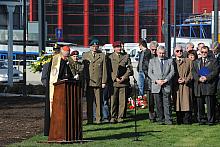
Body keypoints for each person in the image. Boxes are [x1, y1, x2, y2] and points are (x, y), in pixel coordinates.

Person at [41, 45, 73, 135]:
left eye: (67, 55)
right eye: (65, 55)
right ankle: (53, 128)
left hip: (64, 89)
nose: (66, 57)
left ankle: (63, 127)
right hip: (56, 89)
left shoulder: (66, 61)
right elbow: (53, 77)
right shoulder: (55, 61)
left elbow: (68, 73)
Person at [192, 46, 219, 125]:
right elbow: (193, 72)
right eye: (202, 52)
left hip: (209, 85)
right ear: (200, 52)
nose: (204, 53)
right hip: (199, 85)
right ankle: (201, 119)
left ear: (208, 52)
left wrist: (206, 78)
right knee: (199, 104)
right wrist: (198, 78)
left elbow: (215, 71)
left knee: (210, 104)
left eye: (205, 52)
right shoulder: (196, 61)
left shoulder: (213, 61)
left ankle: (210, 120)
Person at [148, 45, 175, 125]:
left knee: (167, 103)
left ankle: (168, 119)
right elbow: (150, 73)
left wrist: (166, 80)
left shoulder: (169, 60)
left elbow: (172, 72)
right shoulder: (152, 61)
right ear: (157, 52)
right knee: (158, 103)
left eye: (163, 53)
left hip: (166, 84)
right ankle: (160, 119)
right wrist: (157, 81)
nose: (162, 55)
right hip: (156, 85)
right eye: (160, 53)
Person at [82, 39, 107, 124]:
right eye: (93, 46)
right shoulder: (85, 55)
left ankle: (98, 119)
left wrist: (104, 81)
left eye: (96, 46)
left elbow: (104, 70)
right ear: (90, 47)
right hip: (89, 82)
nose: (95, 48)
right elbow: (83, 69)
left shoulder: (102, 55)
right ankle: (89, 120)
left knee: (99, 102)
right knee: (89, 102)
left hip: (98, 81)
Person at [109, 41, 133, 123]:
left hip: (123, 82)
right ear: (114, 48)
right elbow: (108, 70)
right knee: (113, 101)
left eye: (119, 47)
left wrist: (124, 77)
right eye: (117, 47)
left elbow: (130, 68)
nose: (118, 48)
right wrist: (115, 78)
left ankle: (120, 117)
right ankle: (113, 117)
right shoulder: (110, 57)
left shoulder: (126, 56)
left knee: (122, 101)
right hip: (114, 82)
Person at [172, 45, 193, 124]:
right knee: (177, 102)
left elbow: (192, 72)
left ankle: (187, 120)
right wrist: (176, 79)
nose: (179, 52)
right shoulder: (172, 61)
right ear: (174, 52)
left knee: (187, 102)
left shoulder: (188, 61)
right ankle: (179, 120)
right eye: (177, 51)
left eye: (181, 51)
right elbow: (170, 73)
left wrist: (186, 79)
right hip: (176, 85)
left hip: (186, 85)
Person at [137, 39, 151, 108]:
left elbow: (146, 62)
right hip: (140, 71)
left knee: (144, 86)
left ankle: (145, 101)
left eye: (139, 45)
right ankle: (141, 100)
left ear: (141, 45)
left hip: (144, 71)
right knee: (140, 86)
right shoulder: (141, 52)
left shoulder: (148, 52)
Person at [148, 41, 159, 122]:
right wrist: (153, 77)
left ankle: (159, 115)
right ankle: (151, 115)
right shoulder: (146, 57)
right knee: (150, 101)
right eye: (152, 50)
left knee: (158, 100)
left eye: (155, 49)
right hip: (149, 81)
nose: (154, 51)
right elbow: (144, 69)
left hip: (159, 81)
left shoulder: (160, 56)